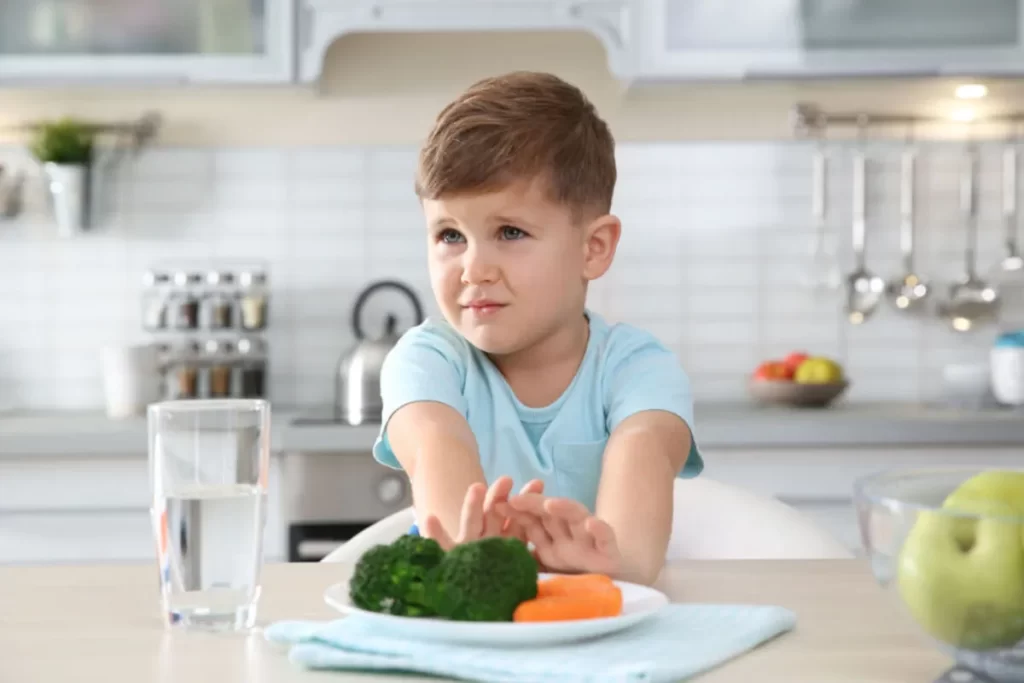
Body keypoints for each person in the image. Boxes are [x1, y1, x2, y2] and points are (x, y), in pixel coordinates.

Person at [371, 71, 702, 586]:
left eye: (509, 232)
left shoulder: (640, 371)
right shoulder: (426, 362)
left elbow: (631, 560)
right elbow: (440, 459)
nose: (473, 268)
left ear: (594, 248)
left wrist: (608, 564)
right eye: (450, 235)